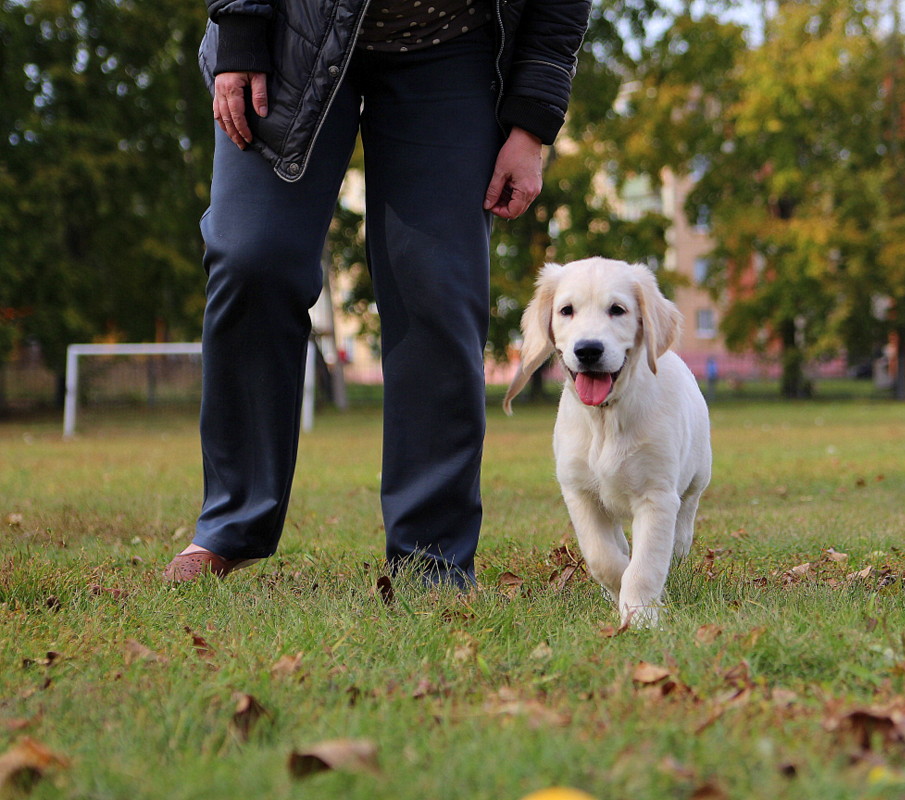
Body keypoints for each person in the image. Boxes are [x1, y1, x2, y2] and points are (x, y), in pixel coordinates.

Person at [162, 0, 591, 587]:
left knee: (437, 288)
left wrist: (532, 122)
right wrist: (239, 32)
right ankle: (231, 523)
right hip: (291, 34)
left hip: (450, 46)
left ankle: (430, 556)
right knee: (251, 257)